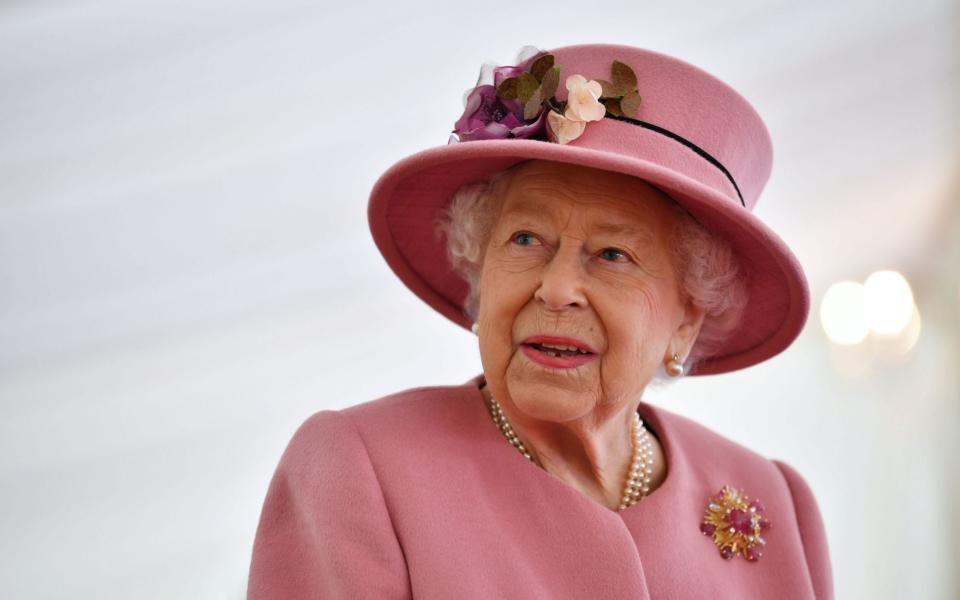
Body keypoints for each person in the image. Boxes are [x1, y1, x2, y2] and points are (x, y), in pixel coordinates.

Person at [246, 43, 834, 599]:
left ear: (687, 319)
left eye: (612, 255)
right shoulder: (362, 468)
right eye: (526, 239)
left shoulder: (773, 502)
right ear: (480, 271)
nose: (555, 289)